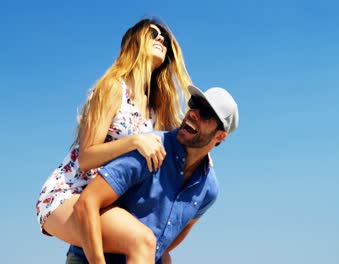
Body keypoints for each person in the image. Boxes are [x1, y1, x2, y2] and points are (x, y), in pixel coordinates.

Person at [35, 17, 192, 263]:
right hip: (71, 193)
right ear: (133, 43)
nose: (161, 38)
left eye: (165, 38)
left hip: (109, 201)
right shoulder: (112, 88)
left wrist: (202, 156)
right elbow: (86, 158)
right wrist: (134, 141)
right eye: (153, 33)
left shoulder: (156, 111)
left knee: (164, 257)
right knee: (141, 240)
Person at [67, 85, 239, 264]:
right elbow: (87, 202)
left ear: (220, 136)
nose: (193, 113)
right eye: (194, 104)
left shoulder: (209, 189)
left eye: (205, 113)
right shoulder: (150, 149)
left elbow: (172, 238)